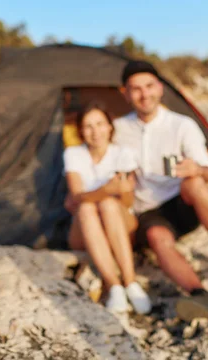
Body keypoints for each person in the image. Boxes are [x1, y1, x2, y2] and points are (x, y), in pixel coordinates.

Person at [113, 60, 208, 322]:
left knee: (195, 183)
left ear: (159, 87)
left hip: (182, 202)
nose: (144, 94)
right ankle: (200, 294)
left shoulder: (181, 125)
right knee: (157, 237)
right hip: (148, 210)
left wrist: (196, 169)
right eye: (136, 89)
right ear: (125, 93)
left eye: (149, 86)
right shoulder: (119, 129)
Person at [64, 102, 152, 314]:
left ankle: (130, 282)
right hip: (85, 229)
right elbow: (77, 197)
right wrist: (107, 188)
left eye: (100, 124)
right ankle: (114, 285)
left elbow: (128, 202)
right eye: (88, 126)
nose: (95, 132)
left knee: (108, 204)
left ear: (110, 127)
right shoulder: (73, 154)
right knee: (87, 209)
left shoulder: (122, 154)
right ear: (81, 131)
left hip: (120, 223)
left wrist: (113, 192)